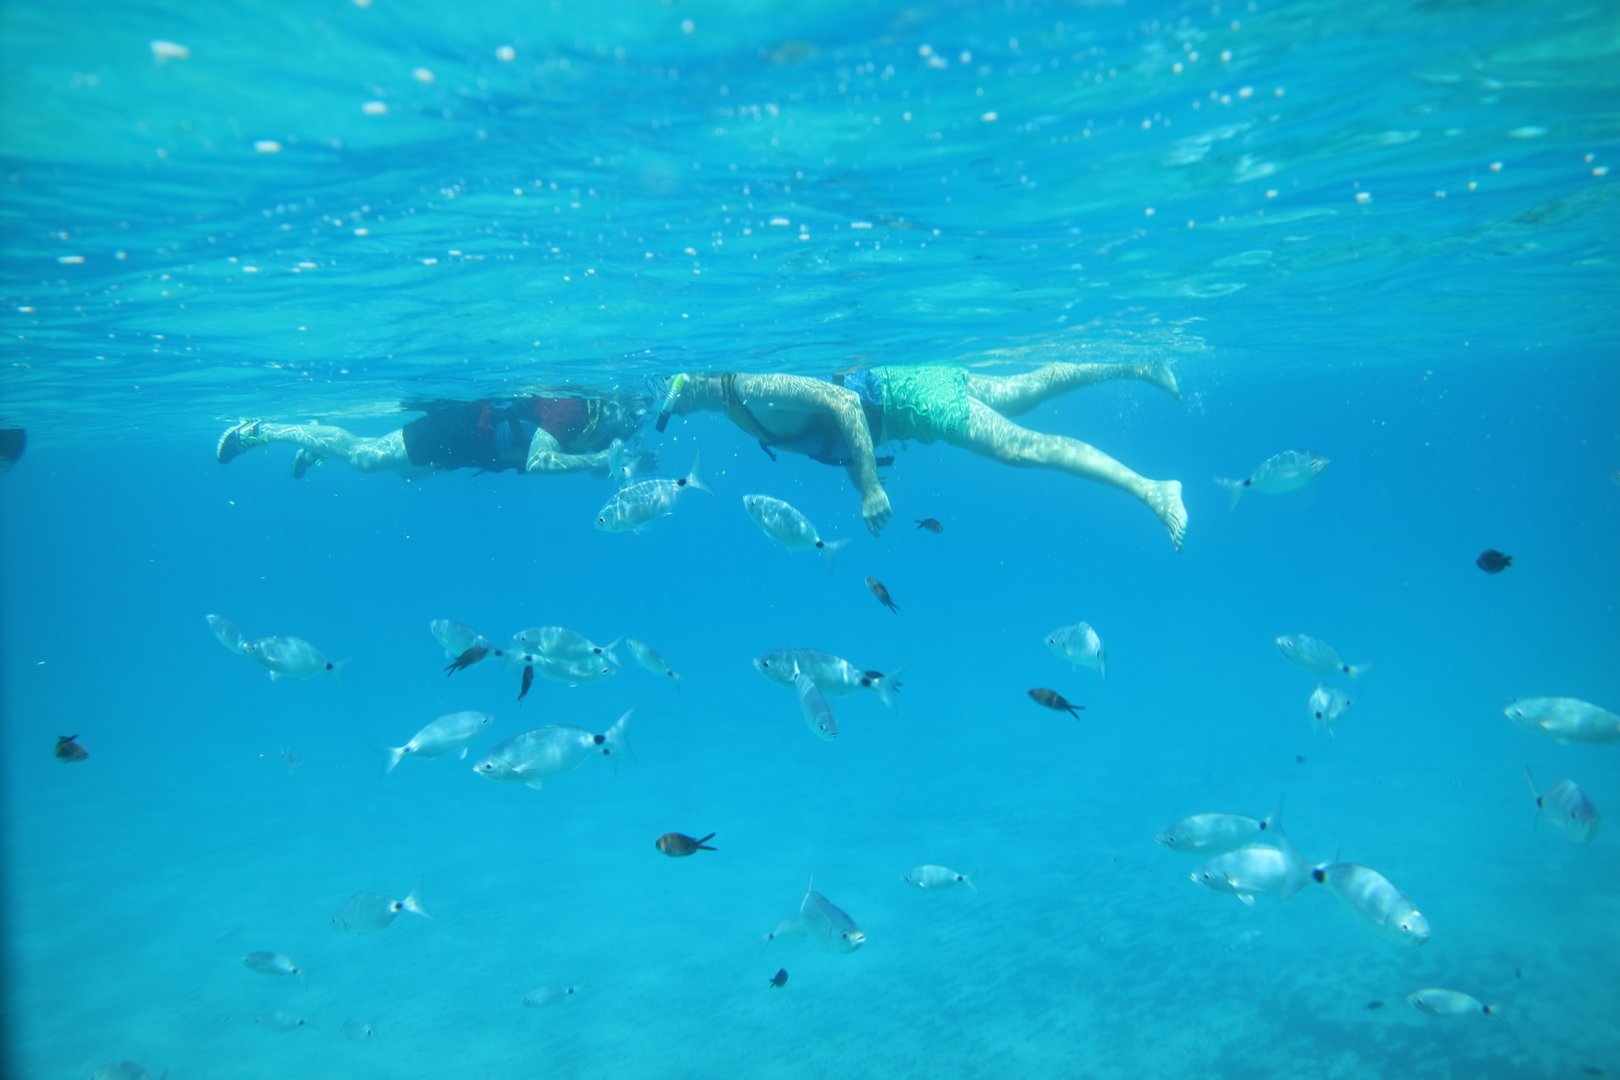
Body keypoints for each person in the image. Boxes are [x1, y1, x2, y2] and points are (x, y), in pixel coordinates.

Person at [654, 362, 1188, 549]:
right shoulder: (732, 408)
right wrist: (858, 474)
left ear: (699, 377)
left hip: (912, 401)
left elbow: (843, 402)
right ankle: (1138, 367)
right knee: (1023, 391)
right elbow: (833, 430)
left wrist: (870, 486)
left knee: (1018, 449)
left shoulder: (748, 388)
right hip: (909, 386)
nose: (673, 396)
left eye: (678, 383)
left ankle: (1151, 489)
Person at [217, 394, 656, 479]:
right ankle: (258, 431)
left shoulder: (607, 430)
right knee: (367, 458)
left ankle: (316, 444)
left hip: (477, 453)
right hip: (463, 429)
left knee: (407, 476)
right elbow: (540, 461)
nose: (634, 427)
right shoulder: (574, 409)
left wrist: (622, 465)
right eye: (632, 418)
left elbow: (593, 470)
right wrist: (602, 461)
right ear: (615, 403)